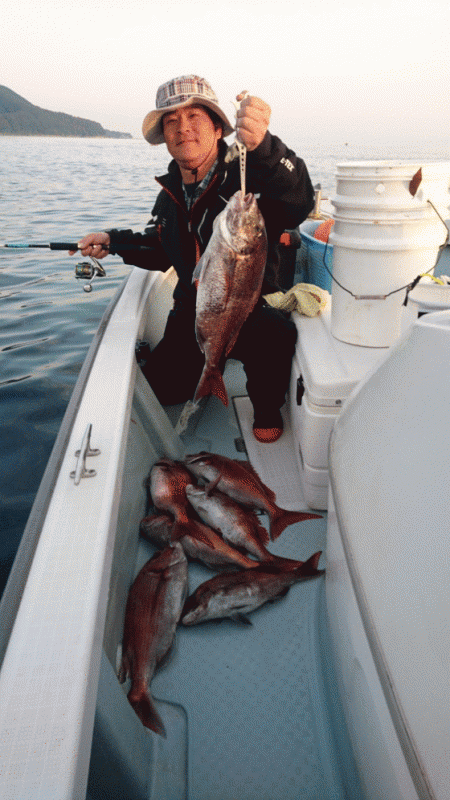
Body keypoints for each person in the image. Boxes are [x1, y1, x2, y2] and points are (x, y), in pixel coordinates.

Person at [73, 75, 315, 443]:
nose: (182, 128)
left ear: (218, 128)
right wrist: (113, 241)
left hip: (249, 306)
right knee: (162, 391)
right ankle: (209, 371)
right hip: (194, 310)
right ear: (164, 136)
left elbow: (298, 201)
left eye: (194, 118)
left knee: (274, 332)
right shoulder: (171, 189)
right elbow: (161, 246)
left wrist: (265, 147)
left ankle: (266, 407)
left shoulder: (249, 176)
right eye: (171, 121)